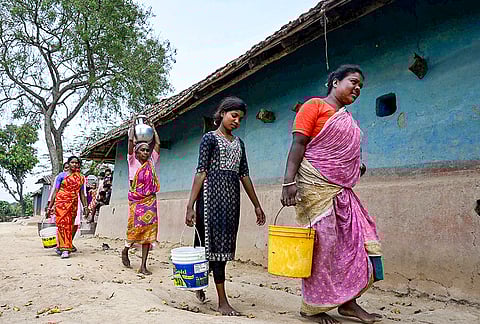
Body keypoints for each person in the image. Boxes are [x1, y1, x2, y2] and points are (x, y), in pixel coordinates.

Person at [281, 65, 383, 324]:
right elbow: (299, 145)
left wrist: (353, 166)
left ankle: (349, 304)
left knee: (353, 245)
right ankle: (313, 307)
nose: (357, 88)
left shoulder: (348, 119)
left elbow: (344, 153)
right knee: (322, 249)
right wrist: (287, 182)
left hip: (342, 190)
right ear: (335, 82)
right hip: (314, 188)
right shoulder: (313, 106)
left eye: (360, 86)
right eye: (353, 82)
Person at [185, 96, 266, 316]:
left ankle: (205, 285)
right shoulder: (209, 139)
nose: (237, 121)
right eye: (233, 116)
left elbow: (245, 175)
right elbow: (201, 172)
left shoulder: (240, 144)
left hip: (231, 202)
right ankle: (221, 300)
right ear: (222, 113)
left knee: (224, 248)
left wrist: (257, 205)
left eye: (240, 118)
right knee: (208, 245)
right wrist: (190, 205)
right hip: (210, 201)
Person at [121, 116, 161, 275]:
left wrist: (153, 128)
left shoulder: (151, 162)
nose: (145, 152)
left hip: (150, 201)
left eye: (147, 150)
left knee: (149, 232)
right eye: (142, 150)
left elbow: (157, 144)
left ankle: (143, 265)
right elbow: (130, 142)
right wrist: (132, 127)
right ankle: (126, 249)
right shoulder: (132, 161)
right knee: (135, 229)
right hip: (136, 201)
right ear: (136, 152)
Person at [47, 156, 88, 259]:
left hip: (73, 203)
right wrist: (49, 207)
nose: (75, 165)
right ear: (68, 164)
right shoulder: (61, 176)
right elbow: (55, 192)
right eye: (72, 162)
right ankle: (65, 248)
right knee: (62, 225)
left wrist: (86, 207)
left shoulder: (81, 178)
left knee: (69, 225)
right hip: (61, 203)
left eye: (77, 163)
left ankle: (62, 247)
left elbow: (82, 194)